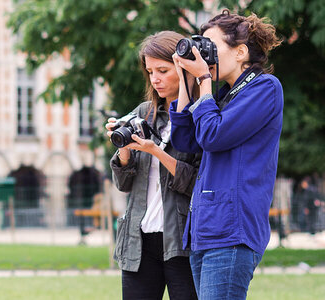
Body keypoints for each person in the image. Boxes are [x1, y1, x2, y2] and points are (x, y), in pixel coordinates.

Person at [169, 9, 283, 299]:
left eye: (211, 47)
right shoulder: (222, 95)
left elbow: (213, 135)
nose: (205, 56)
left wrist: (204, 80)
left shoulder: (265, 88)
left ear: (241, 51)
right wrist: (187, 79)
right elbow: (185, 140)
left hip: (232, 229)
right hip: (205, 228)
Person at [105, 31, 199, 300]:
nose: (155, 79)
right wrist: (123, 150)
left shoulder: (201, 116)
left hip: (182, 241)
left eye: (163, 70)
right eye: (150, 72)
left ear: (183, 69)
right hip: (138, 240)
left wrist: (156, 151)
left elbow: (196, 184)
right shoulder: (144, 112)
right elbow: (123, 184)